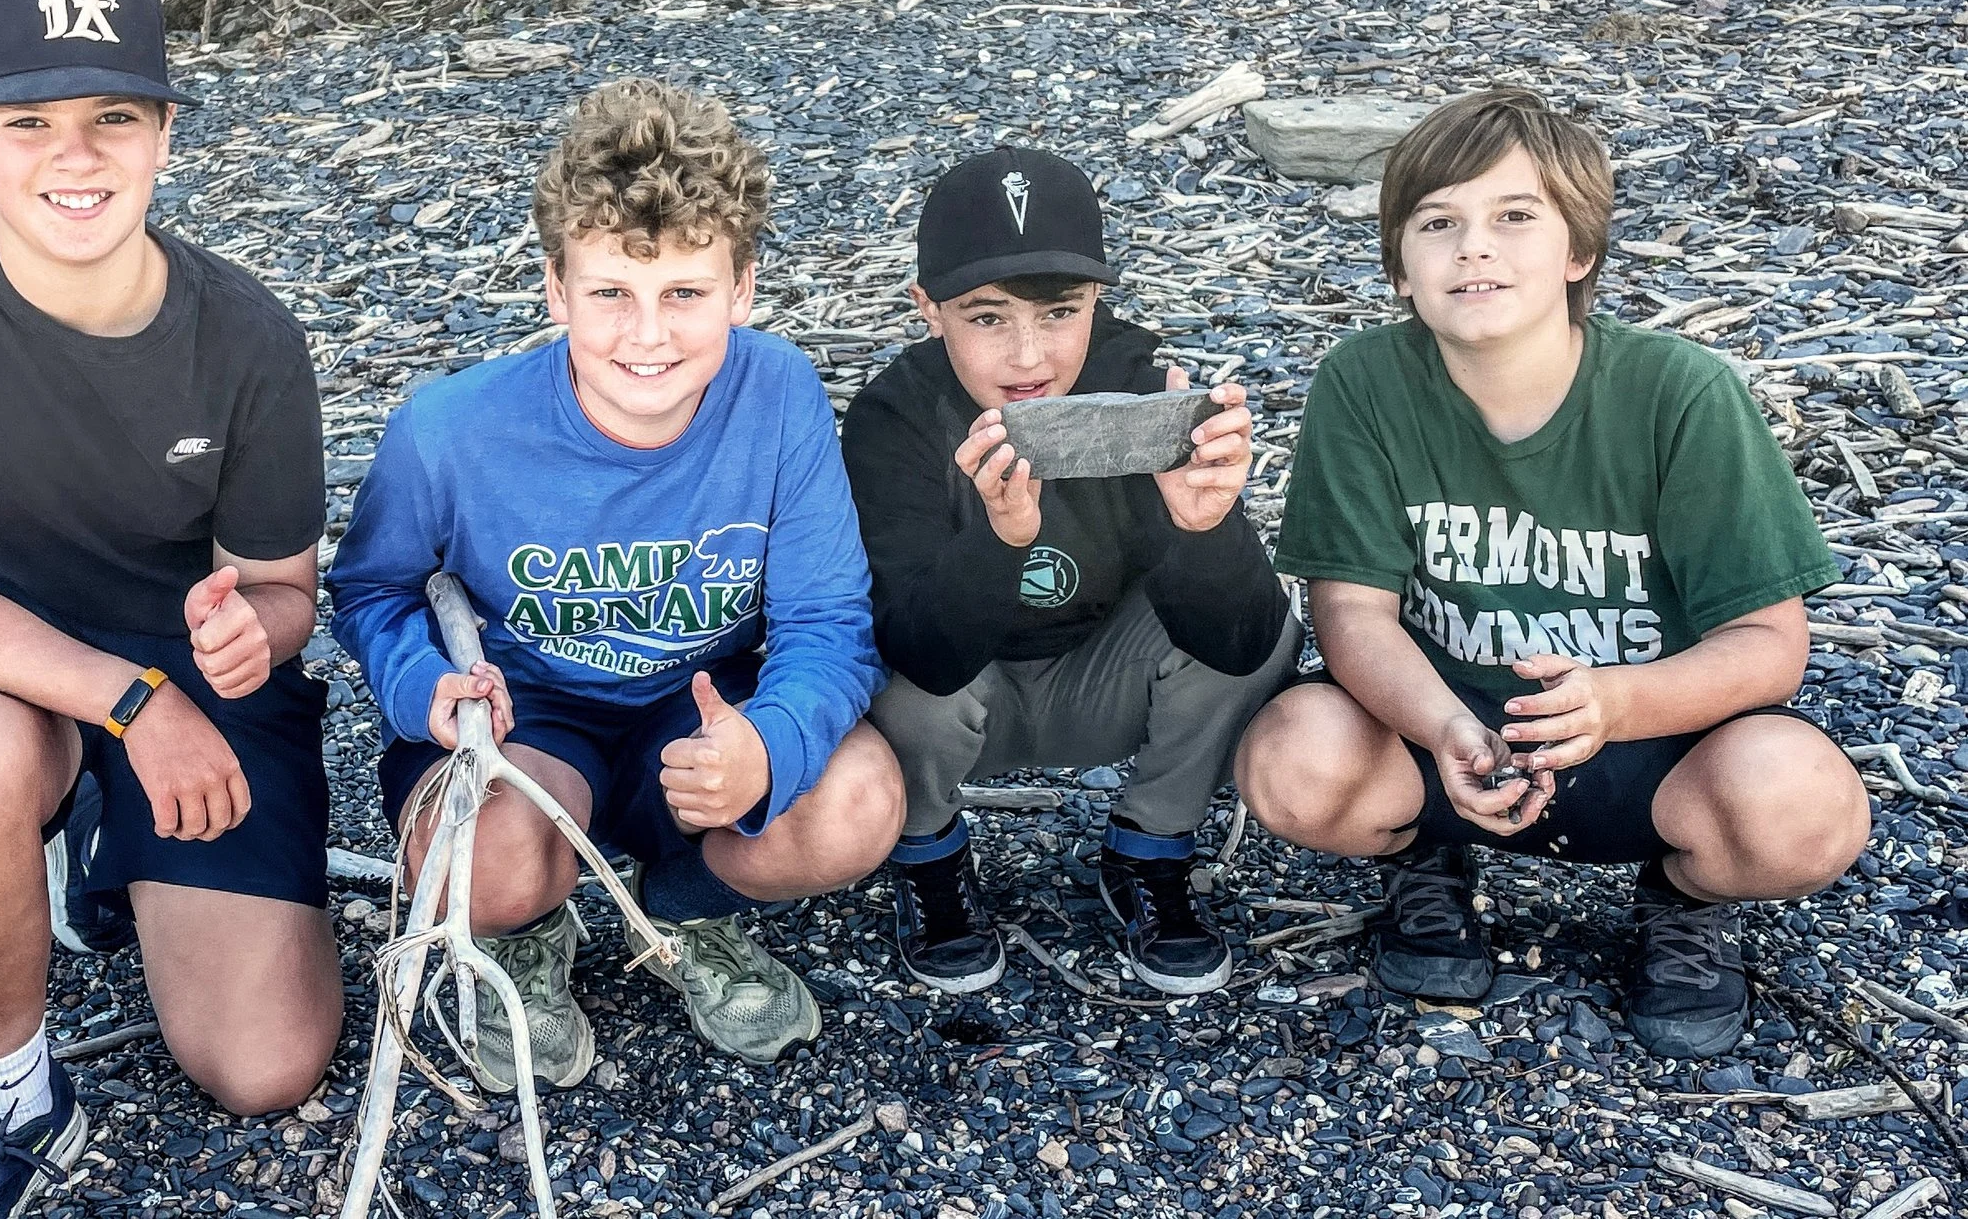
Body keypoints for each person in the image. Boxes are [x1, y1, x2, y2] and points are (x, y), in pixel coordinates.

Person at [0, 0, 340, 1218]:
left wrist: (240, 641)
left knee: (265, 1066)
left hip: (182, 680)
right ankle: (7, 1093)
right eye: (27, 119)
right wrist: (133, 703)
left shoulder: (249, 338)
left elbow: (281, 588)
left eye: (113, 115)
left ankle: (103, 845)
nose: (76, 154)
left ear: (162, 132)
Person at [1235, 86, 1869, 1058]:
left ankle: (1683, 895)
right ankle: (1424, 858)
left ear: (1577, 251)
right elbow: (1352, 615)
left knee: (1803, 808)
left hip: (1645, 739)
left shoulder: (1677, 394)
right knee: (1291, 759)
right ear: (1398, 266)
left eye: (1513, 217)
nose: (1472, 247)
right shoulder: (1362, 383)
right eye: (1437, 222)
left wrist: (1612, 703)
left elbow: (1769, 646)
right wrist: (1443, 726)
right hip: (1445, 738)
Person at [327, 78, 901, 1091]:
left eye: (684, 292)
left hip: (696, 715)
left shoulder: (778, 392)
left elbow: (827, 620)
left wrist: (768, 745)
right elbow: (371, 592)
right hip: (528, 723)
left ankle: (688, 908)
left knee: (856, 799)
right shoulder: (451, 429)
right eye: (610, 295)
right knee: (481, 862)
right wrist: (425, 686)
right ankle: (524, 932)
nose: (647, 335)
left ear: (741, 288)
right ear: (555, 291)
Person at [842, 146, 1301, 997]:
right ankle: (931, 855)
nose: (1028, 356)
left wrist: (1203, 524)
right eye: (986, 317)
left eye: (1060, 311)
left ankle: (1151, 846)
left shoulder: (1141, 386)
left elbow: (1240, 644)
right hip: (960, 693)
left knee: (1270, 622)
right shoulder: (893, 419)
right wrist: (1001, 538)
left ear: (1098, 298)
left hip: (1104, 675)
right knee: (880, 656)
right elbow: (917, 646)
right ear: (928, 310)